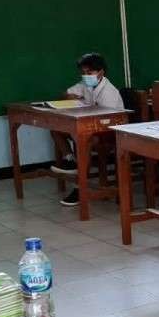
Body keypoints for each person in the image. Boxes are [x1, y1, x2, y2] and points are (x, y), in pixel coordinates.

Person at [50, 53, 124, 207]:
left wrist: (84, 108)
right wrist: (68, 98)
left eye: (89, 73)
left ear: (101, 73)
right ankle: (70, 161)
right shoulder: (85, 85)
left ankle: (79, 188)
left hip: (109, 131)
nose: (85, 76)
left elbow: (105, 120)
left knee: (86, 140)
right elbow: (65, 94)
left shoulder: (109, 91)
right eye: (83, 73)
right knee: (56, 129)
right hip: (89, 127)